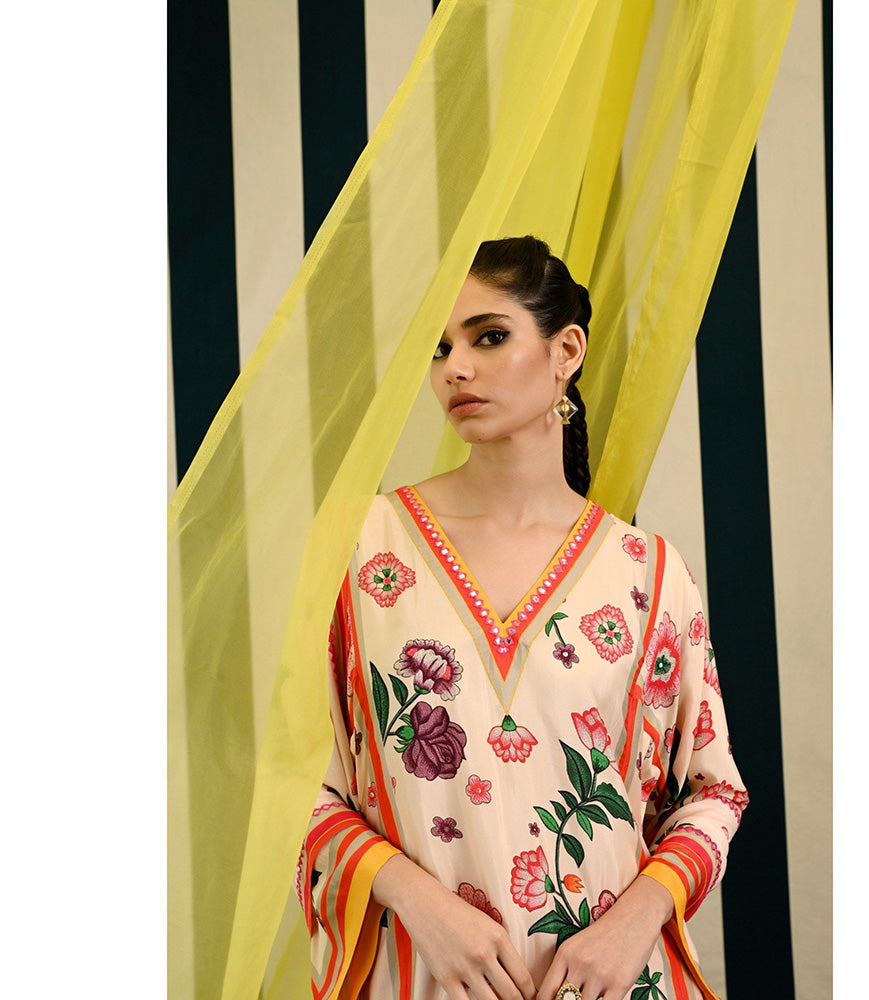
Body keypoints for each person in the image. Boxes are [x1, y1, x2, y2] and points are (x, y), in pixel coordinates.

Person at [296, 236, 748, 1000]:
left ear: (566, 350)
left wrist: (634, 923)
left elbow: (713, 792)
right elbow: (293, 782)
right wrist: (419, 902)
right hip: (420, 977)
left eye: (488, 336)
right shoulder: (359, 550)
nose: (455, 368)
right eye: (440, 348)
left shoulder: (649, 572)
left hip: (611, 984)